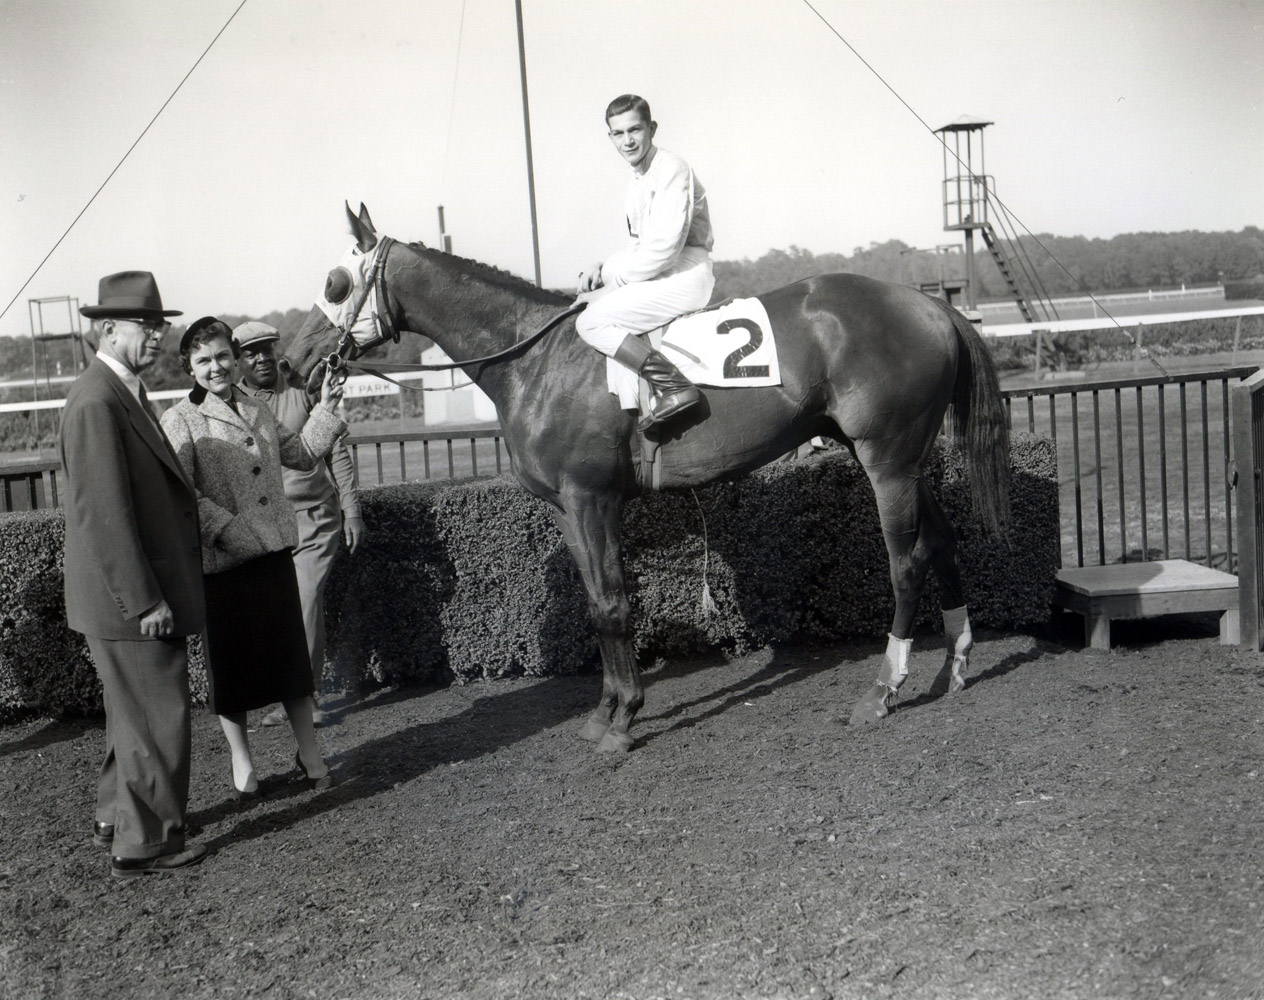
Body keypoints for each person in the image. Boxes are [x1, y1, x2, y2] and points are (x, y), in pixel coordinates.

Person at [59, 271, 208, 878]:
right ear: (107, 328)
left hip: (120, 596)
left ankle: (112, 818)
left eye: (159, 323)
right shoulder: (98, 400)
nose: (157, 334)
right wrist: (145, 601)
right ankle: (144, 843)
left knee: (131, 715)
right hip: (130, 600)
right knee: (155, 713)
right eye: (146, 325)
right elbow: (103, 516)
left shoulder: (118, 391)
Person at [160, 317, 347, 797]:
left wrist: (325, 408)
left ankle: (308, 751)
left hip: (274, 554)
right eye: (203, 360)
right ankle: (241, 762)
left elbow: (304, 454)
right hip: (223, 564)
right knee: (233, 668)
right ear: (189, 367)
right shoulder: (179, 418)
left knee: (290, 664)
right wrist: (229, 531)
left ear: (236, 358)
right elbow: (181, 495)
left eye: (223, 356)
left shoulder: (256, 408)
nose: (216, 366)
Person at [232, 320, 365, 727]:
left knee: (305, 602)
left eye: (266, 349)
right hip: (264, 526)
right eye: (250, 352)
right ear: (238, 360)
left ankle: (306, 698)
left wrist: (352, 508)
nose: (260, 358)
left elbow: (334, 451)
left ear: (276, 352)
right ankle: (290, 696)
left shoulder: (304, 391)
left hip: (314, 519)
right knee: (278, 611)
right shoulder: (231, 402)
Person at [575, 93, 715, 433]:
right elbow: (639, 246)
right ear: (610, 137)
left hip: (685, 272)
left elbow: (664, 249)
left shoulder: (672, 168)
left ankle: (675, 387)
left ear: (651, 128)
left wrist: (611, 284)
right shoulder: (638, 179)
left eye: (634, 130)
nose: (627, 140)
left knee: (591, 323)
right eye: (618, 133)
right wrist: (604, 267)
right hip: (663, 271)